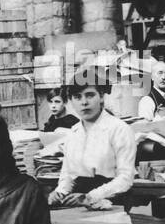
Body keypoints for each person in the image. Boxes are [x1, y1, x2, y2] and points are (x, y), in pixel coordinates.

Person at [48, 76, 137, 208]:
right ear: (71, 101)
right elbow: (68, 174)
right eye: (77, 97)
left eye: (89, 95)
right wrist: (59, 192)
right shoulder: (73, 133)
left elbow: (125, 178)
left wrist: (90, 197)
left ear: (101, 97)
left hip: (113, 202)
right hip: (79, 203)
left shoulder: (119, 129)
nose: (84, 102)